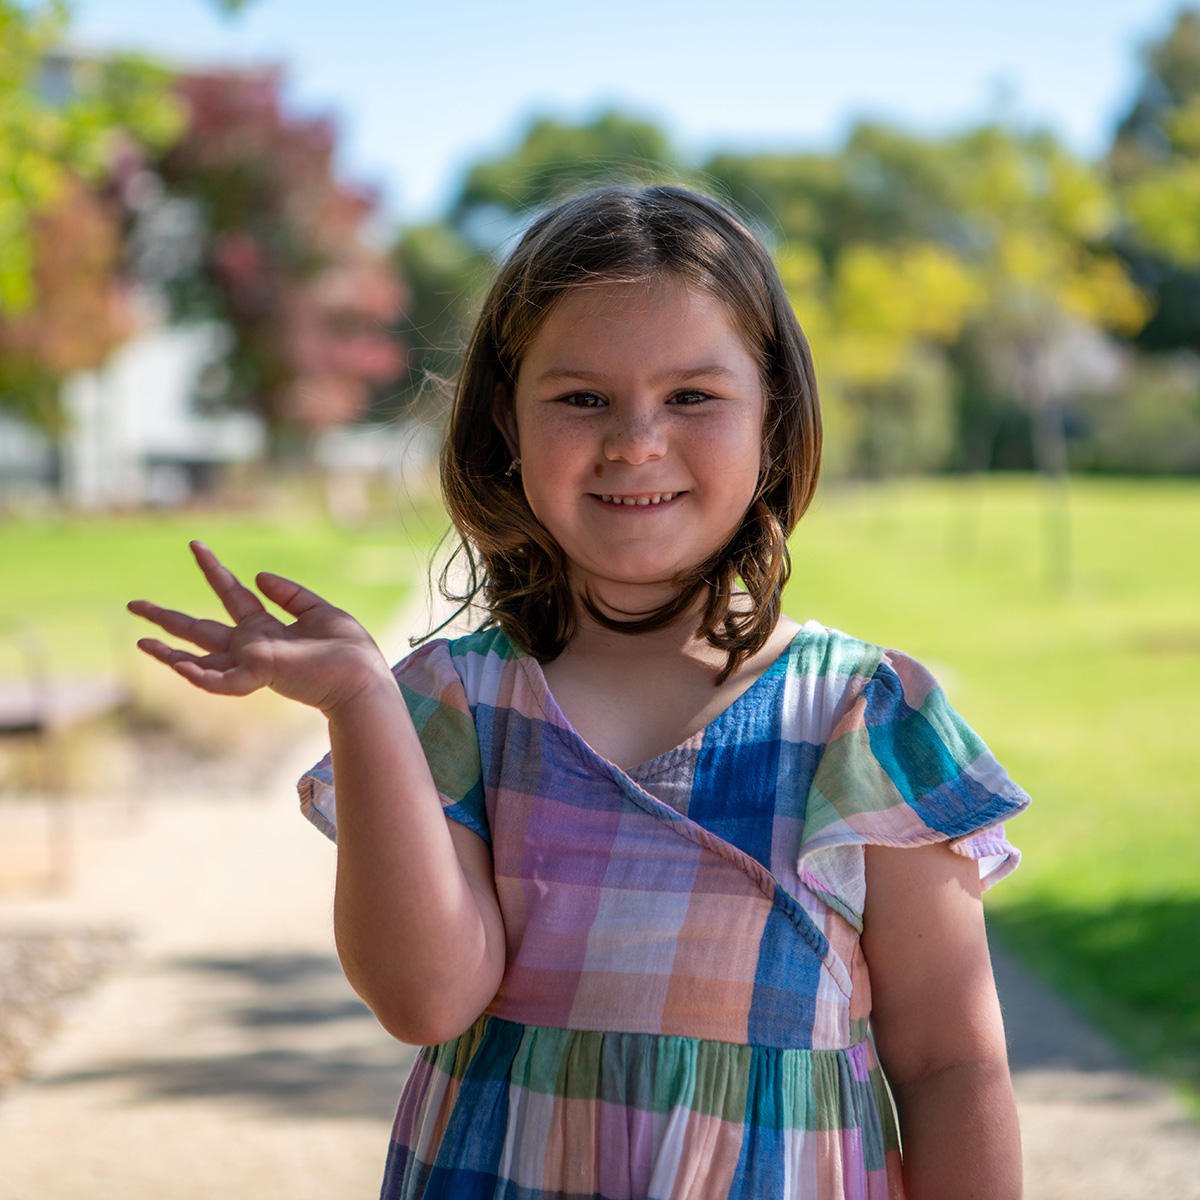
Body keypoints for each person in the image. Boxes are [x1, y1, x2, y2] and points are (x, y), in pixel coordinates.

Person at [129, 185, 1029, 1200]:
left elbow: (953, 1067)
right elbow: (427, 998)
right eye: (581, 398)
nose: (635, 441)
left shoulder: (861, 721)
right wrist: (361, 703)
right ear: (506, 425)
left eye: (692, 396)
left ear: (773, 418)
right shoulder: (461, 708)